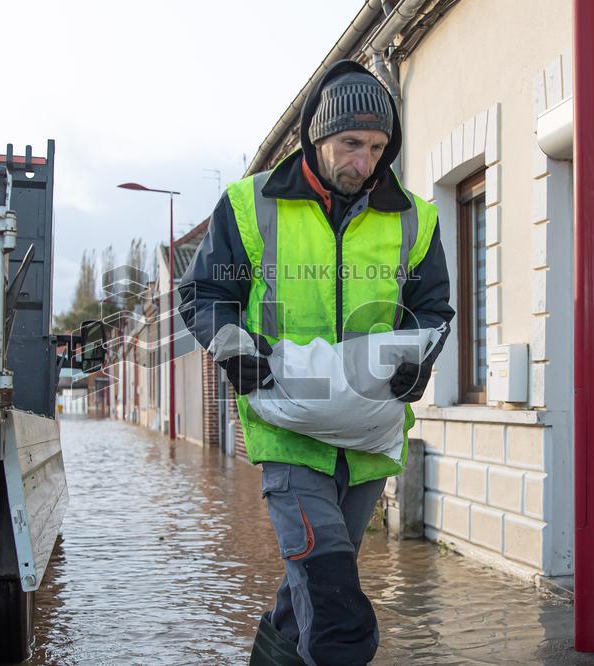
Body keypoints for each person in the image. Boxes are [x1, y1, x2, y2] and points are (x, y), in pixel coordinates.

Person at [177, 60, 455, 665]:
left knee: (311, 583)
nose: (365, 162)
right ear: (318, 137)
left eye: (378, 147)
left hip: (367, 437)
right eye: (352, 144)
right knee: (335, 604)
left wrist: (418, 363)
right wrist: (237, 357)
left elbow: (431, 309)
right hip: (287, 433)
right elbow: (203, 295)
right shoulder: (252, 206)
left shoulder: (414, 218)